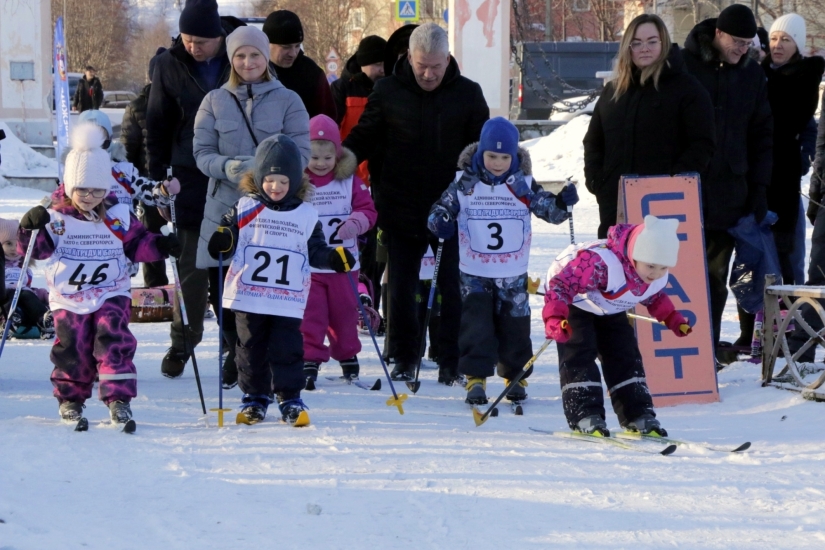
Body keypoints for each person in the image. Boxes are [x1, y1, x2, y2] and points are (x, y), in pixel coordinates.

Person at [343, 23, 489, 385]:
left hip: (451, 208)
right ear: (409, 57)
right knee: (402, 289)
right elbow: (366, 135)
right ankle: (404, 357)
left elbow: (481, 150)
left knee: (453, 288)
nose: (428, 74)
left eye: (436, 67)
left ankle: (451, 359)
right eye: (422, 65)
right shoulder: (387, 90)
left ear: (448, 59)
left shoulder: (469, 94)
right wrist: (338, 163)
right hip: (400, 205)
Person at [17, 123, 181, 428]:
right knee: (72, 346)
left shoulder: (117, 215)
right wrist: (29, 228)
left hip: (110, 291)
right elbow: (34, 251)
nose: (89, 196)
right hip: (69, 297)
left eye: (97, 189)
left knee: (114, 341)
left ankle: (119, 399)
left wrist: (161, 245)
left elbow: (136, 244)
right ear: (68, 186)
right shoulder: (56, 218)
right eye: (82, 189)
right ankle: (70, 399)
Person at [206, 134, 355, 425]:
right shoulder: (244, 208)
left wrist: (334, 258)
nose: (276, 187)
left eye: (284, 182)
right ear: (259, 176)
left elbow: (315, 251)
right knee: (250, 349)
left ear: (295, 182)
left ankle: (289, 398)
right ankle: (254, 398)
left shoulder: (305, 214)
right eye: (270, 180)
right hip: (249, 296)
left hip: (287, 298)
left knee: (287, 347)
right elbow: (226, 238)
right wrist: (223, 240)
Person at [429, 117, 578, 405]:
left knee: (515, 325)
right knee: (476, 325)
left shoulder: (521, 183)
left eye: (504, 157)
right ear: (481, 152)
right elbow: (440, 210)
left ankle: (516, 375)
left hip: (513, 272)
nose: (497, 162)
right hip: (474, 272)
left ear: (514, 156)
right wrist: (440, 222)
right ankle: (475, 377)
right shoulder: (464, 182)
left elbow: (550, 212)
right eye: (491, 156)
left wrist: (562, 202)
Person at [193, 25, 310, 388]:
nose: (248, 62)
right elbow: (201, 153)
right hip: (224, 207)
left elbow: (302, 153)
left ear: (266, 57)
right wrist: (227, 167)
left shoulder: (289, 99)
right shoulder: (214, 101)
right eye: (240, 56)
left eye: (255, 55)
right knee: (223, 292)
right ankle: (236, 352)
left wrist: (268, 172)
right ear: (231, 59)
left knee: (262, 296)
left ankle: (260, 361)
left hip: (272, 216)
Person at [146, 0, 244, 377]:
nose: (193, 47)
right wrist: (157, 179)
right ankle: (182, 341)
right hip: (187, 176)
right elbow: (156, 125)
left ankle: (236, 347)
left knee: (229, 265)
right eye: (186, 39)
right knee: (191, 267)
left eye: (200, 40)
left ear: (218, 36)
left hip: (234, 174)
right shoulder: (170, 65)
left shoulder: (240, 57)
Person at [543, 215, 692, 436]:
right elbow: (562, 285)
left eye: (663, 268)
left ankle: (638, 414)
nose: (656, 274)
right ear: (635, 255)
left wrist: (672, 318)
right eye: (651, 266)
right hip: (573, 301)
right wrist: (555, 317)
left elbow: (654, 296)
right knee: (580, 348)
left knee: (624, 352)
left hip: (609, 305)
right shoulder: (600, 263)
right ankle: (584, 414)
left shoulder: (652, 275)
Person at [681, 4, 773, 355]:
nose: (743, 48)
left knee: (714, 277)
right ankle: (675, 349)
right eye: (737, 41)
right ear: (718, 34)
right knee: (675, 274)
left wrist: (759, 188)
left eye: (748, 43)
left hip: (729, 192)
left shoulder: (752, 74)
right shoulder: (684, 65)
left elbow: (763, 133)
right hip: (684, 188)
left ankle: (704, 350)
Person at [583, 14, 715, 239]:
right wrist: (597, 180)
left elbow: (702, 144)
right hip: (615, 206)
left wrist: (672, 181)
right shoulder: (613, 91)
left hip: (664, 207)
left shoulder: (686, 89)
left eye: (652, 41)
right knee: (616, 271)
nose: (644, 48)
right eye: (637, 43)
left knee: (659, 272)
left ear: (663, 43)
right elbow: (594, 142)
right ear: (628, 47)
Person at [300, 115, 377, 386]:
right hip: (309, 267)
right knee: (312, 314)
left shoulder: (349, 181)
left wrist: (357, 222)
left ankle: (347, 354)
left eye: (327, 158)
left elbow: (368, 209)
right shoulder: (299, 183)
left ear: (337, 155)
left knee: (344, 312)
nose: (320, 164)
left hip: (344, 264)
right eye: (314, 157)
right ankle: (309, 356)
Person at [762, 14, 824, 283]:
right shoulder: (757, 75)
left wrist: (802, 159)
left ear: (797, 45)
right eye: (774, 38)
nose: (778, 45)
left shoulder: (803, 81)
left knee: (789, 252)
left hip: (786, 180)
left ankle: (790, 316)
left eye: (786, 40)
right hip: (756, 177)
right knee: (757, 255)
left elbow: (809, 127)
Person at [121, 47, 170, 288]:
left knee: (175, 237)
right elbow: (129, 148)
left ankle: (185, 295)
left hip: (174, 180)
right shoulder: (137, 105)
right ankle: (156, 291)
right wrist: (129, 182)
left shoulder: (179, 101)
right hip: (149, 181)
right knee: (151, 235)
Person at [262, 10, 337, 119]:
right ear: (266, 43)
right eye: (285, 47)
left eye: (297, 46)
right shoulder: (252, 72)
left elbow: (327, 120)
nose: (293, 53)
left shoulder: (312, 73)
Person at [0, 217, 52, 339]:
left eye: (17, 244)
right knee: (11, 295)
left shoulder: (24, 268)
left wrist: (44, 295)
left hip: (22, 296)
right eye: (8, 244)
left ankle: (43, 319)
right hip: (4, 297)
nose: (14, 248)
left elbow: (29, 288)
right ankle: (8, 320)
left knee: (27, 295)